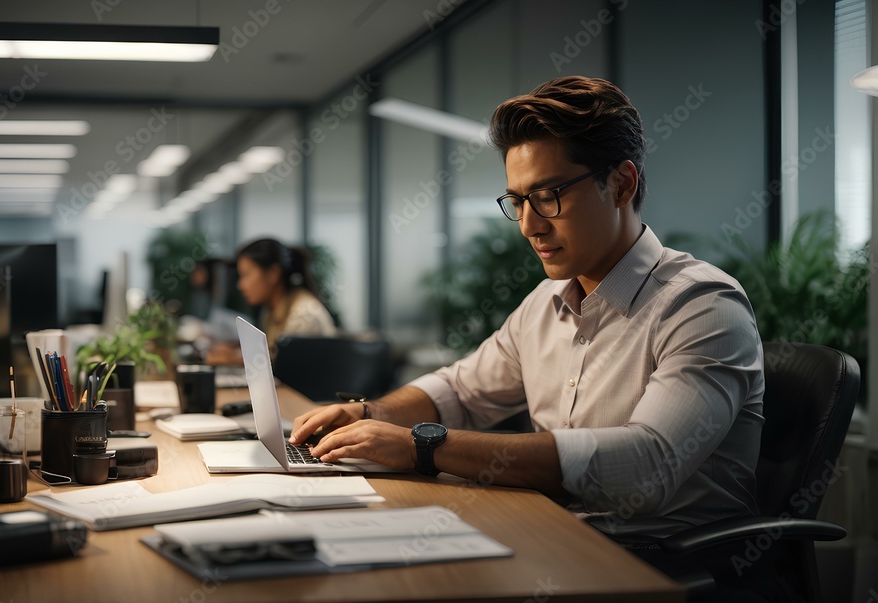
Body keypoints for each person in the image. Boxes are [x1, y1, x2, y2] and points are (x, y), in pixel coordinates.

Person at [291, 76, 766, 540]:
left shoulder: (701, 305)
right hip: (554, 536)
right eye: (518, 201)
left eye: (548, 196)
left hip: (661, 567)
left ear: (621, 185)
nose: (528, 226)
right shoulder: (545, 304)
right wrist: (370, 413)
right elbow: (460, 391)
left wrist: (422, 446)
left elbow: (646, 464)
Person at [206, 238, 337, 365]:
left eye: (246, 275)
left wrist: (233, 357)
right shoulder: (271, 310)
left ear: (273, 273)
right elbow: (272, 353)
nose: (240, 285)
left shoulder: (303, 313)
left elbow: (283, 364)